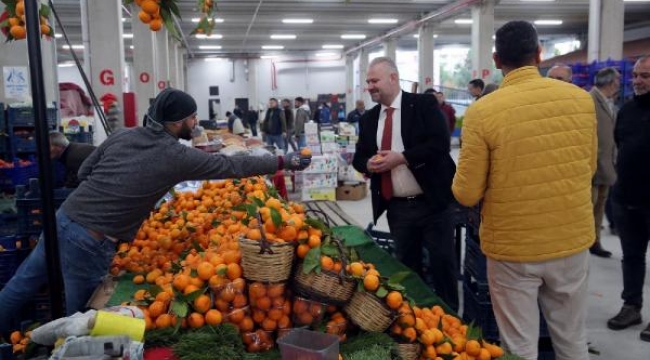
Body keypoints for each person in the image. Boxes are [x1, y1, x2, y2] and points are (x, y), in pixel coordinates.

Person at [0, 88, 312, 334]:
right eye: (191, 118)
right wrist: (284, 161)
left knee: (21, 284)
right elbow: (231, 165)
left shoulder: (124, 133)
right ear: (176, 122)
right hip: (90, 239)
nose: (195, 123)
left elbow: (84, 173)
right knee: (81, 320)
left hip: (64, 219)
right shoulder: (175, 155)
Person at [452, 21, 596, 360]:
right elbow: (587, 168)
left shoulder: (483, 112)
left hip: (512, 250)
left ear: (496, 59)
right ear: (539, 54)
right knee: (573, 339)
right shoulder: (580, 101)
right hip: (570, 241)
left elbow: (466, 193)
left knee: (519, 346)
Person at [352, 57, 458, 311]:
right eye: (367, 82)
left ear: (393, 78)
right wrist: (368, 165)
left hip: (433, 204)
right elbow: (359, 157)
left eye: (374, 80)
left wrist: (402, 158)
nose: (370, 86)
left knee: (442, 266)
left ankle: (454, 323)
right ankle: (418, 323)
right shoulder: (368, 119)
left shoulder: (422, 105)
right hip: (398, 209)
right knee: (407, 271)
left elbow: (439, 144)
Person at [606, 55, 650, 342]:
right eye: (635, 75)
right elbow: (620, 148)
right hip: (627, 198)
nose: (637, 80)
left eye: (645, 75)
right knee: (631, 257)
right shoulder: (627, 110)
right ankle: (631, 305)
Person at [589, 67, 621, 258]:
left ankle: (595, 241)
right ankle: (583, 241)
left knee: (600, 206)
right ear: (611, 82)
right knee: (588, 207)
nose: (619, 83)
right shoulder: (590, 99)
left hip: (606, 165)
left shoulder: (610, 102)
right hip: (593, 165)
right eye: (617, 80)